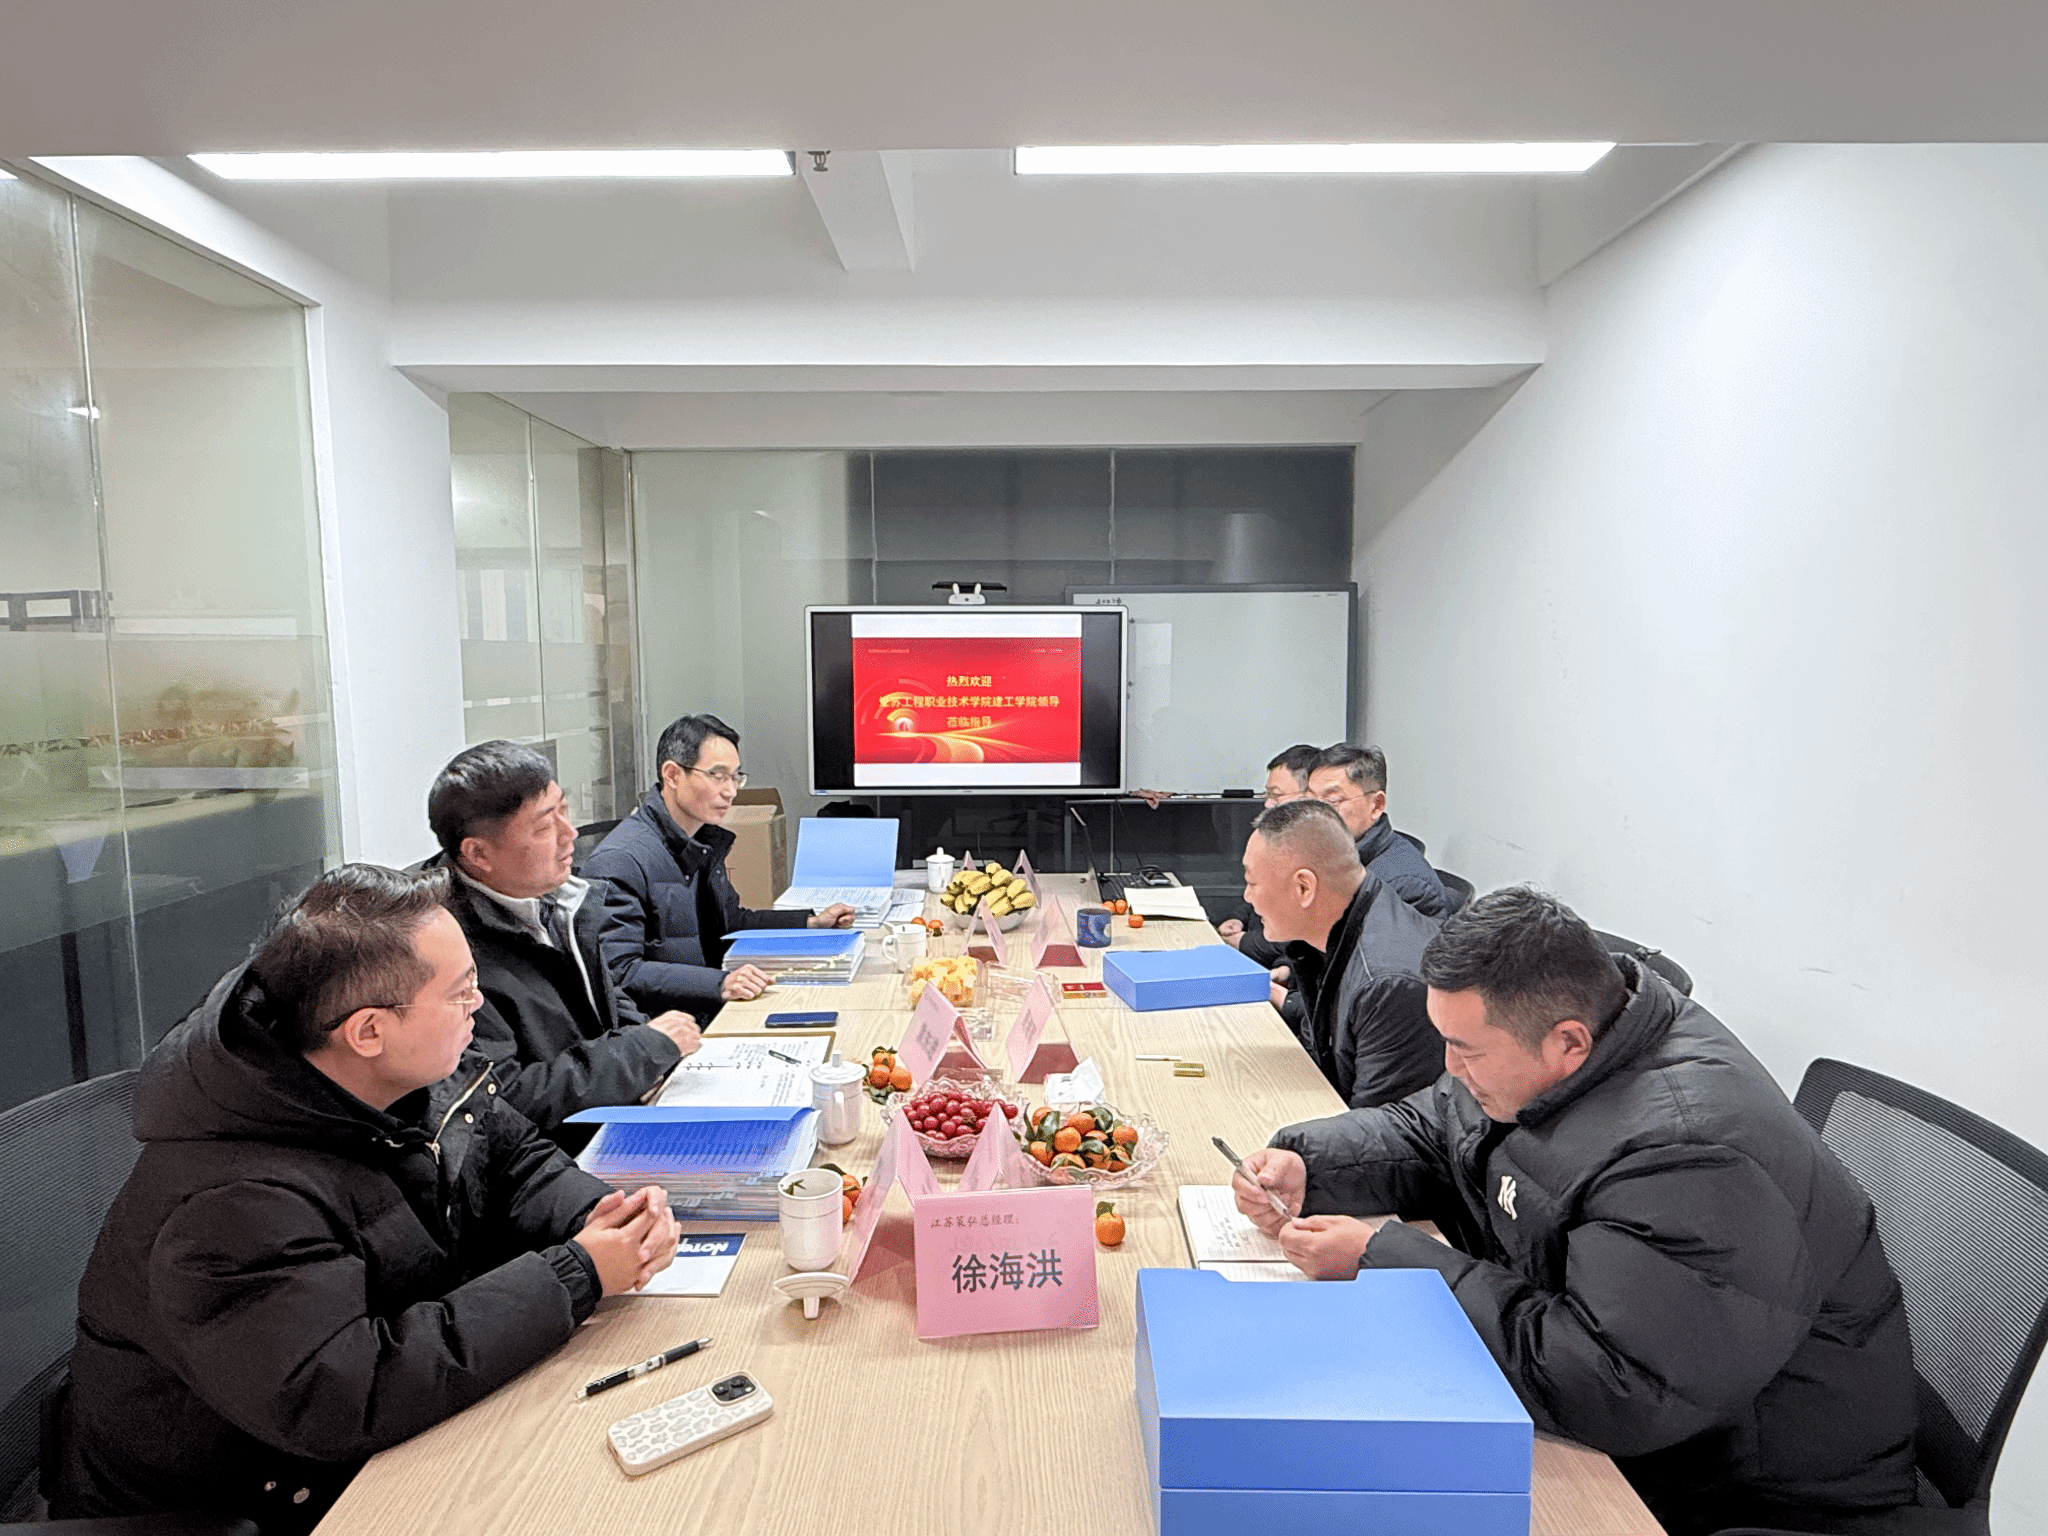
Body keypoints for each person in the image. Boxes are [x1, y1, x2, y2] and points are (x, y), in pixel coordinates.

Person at [1230, 889, 1916, 1535]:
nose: (1450, 1066)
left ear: (1568, 1042)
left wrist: (1386, 1260)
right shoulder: (1550, 1045)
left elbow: (1612, 1385)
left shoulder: (1690, 1159)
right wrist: (1312, 1165)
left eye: (1465, 1050)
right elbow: (1440, 1124)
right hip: (1656, 1410)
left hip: (1745, 1485)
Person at [53, 864, 679, 1536]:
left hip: (381, 1442)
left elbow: (513, 1157)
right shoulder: (234, 1203)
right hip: (250, 1502)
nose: (479, 1006)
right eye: (461, 993)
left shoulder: (404, 1071)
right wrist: (575, 1274)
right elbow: (338, 1396)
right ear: (368, 1032)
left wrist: (598, 1216)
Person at [427, 740, 700, 1142]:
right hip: (556, 1155)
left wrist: (650, 1056)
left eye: (564, 810)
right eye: (543, 828)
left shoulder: (555, 900)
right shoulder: (445, 951)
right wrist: (641, 1052)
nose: (569, 834)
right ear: (478, 854)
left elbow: (606, 998)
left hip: (612, 1122)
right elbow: (504, 1098)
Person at [588, 713, 853, 1020]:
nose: (731, 791)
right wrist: (720, 984)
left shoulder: (699, 840)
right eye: (718, 776)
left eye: (736, 777)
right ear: (672, 775)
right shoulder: (621, 860)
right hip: (671, 1030)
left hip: (711, 1011)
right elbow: (619, 972)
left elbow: (730, 922)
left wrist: (811, 923)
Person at [1240, 799, 1442, 1107]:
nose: (1247, 896)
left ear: (1304, 888)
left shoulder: (1386, 982)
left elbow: (1382, 1126)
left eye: (1252, 883)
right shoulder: (1336, 929)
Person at [1306, 744, 1451, 918]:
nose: (1315, 813)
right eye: (1309, 801)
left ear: (1376, 805)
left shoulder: (1404, 886)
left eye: (1332, 801)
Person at [1216, 743, 1320, 967]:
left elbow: (1302, 937)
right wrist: (1238, 918)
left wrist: (1244, 942)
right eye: (1267, 794)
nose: (1268, 803)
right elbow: (1259, 896)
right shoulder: (1282, 839)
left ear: (1310, 796)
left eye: (1276, 795)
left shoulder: (1324, 855)